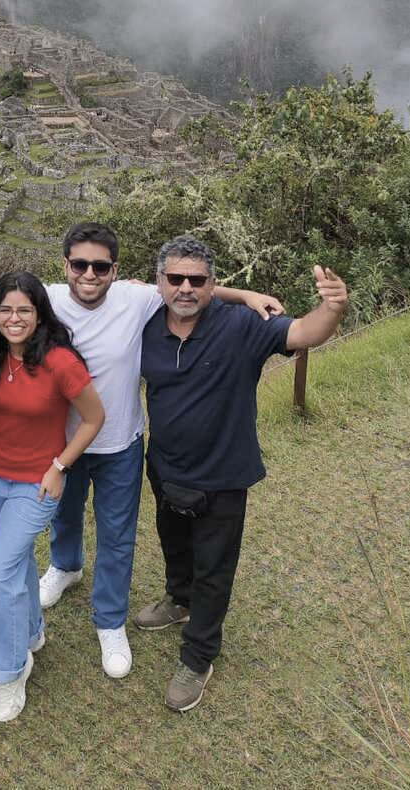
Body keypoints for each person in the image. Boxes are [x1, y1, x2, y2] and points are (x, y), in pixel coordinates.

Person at [38, 222, 284, 680]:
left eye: (100, 266)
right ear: (64, 265)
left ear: (116, 270)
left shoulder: (138, 298)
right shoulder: (46, 298)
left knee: (117, 535)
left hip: (120, 443)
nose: (89, 274)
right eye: (79, 264)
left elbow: (191, 286)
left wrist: (245, 295)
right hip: (64, 443)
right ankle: (64, 566)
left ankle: (110, 622)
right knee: (64, 514)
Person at [133, 234, 348, 713]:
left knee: (215, 567)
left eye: (197, 280)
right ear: (159, 281)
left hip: (224, 474)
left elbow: (304, 333)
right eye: (175, 278)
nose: (185, 288)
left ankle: (199, 653)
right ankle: (178, 597)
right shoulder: (143, 323)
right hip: (165, 465)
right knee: (174, 542)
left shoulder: (242, 326)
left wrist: (332, 308)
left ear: (213, 284)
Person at [0, 271, 105, 722]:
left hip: (38, 482)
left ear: (39, 314)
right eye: (5, 310)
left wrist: (60, 466)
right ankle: (30, 632)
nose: (14, 318)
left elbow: (93, 417)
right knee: (16, 563)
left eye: (24, 310)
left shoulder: (60, 361)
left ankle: (10, 671)